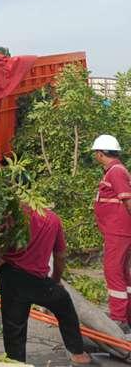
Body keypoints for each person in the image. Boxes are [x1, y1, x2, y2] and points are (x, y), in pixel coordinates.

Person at [0, 205, 92, 364]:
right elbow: (60, 256)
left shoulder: (12, 213)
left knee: (13, 327)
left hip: (11, 276)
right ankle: (77, 352)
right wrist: (56, 281)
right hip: (38, 280)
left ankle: (16, 362)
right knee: (65, 306)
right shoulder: (53, 219)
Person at [91, 134, 131, 331]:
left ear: (100, 154)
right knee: (122, 272)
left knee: (113, 271)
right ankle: (126, 315)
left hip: (118, 231)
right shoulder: (115, 171)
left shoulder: (116, 171)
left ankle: (119, 318)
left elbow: (128, 200)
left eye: (95, 154)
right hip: (116, 230)